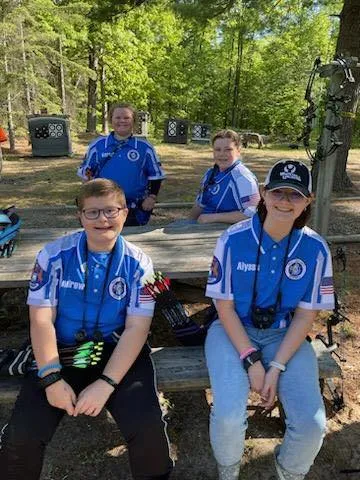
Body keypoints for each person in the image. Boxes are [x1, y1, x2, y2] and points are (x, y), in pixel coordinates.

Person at [0, 179, 173, 480]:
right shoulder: (52, 256)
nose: (102, 219)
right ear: (79, 215)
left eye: (110, 210)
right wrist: (52, 379)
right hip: (62, 351)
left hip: (116, 352)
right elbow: (40, 319)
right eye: (91, 212)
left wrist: (106, 383)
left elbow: (136, 328)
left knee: (147, 429)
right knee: (23, 436)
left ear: (124, 212)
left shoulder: (140, 263)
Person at [204, 159, 335, 480]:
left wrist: (275, 367)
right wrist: (252, 360)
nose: (285, 201)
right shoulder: (233, 239)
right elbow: (224, 308)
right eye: (278, 192)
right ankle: (229, 470)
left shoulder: (316, 248)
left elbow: (306, 315)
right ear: (263, 194)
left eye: (295, 195)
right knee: (228, 416)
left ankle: (288, 470)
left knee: (312, 423)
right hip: (231, 331)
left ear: (308, 200)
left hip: (285, 335)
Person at [77, 103, 165, 226]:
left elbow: (156, 176)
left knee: (131, 241)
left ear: (133, 121)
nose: (122, 121)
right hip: (103, 208)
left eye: (126, 118)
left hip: (135, 208)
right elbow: (86, 176)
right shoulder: (97, 146)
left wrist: (151, 198)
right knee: (102, 240)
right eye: (117, 117)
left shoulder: (144, 147)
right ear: (111, 120)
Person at [189, 129, 260, 224]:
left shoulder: (243, 177)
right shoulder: (210, 173)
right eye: (218, 150)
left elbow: (253, 214)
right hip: (201, 229)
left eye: (228, 149)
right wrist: (187, 224)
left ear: (238, 151)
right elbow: (200, 205)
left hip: (224, 232)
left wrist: (213, 218)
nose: (222, 154)